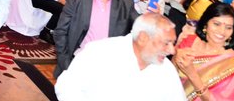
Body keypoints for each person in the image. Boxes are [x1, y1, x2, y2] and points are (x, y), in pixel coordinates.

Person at [55, 14, 185, 101]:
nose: (172, 50)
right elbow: (67, 87)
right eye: (166, 43)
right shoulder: (101, 52)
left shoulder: (166, 70)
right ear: (143, 38)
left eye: (172, 43)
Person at [53, 0, 138, 77]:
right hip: (78, 62)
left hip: (109, 69)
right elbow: (60, 32)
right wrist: (66, 64)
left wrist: (152, 18)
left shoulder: (126, 3)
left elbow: (142, 27)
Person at [173, 3, 234, 101]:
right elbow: (169, 75)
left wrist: (192, 75)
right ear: (206, 23)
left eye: (228, 27)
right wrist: (175, 58)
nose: (222, 31)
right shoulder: (189, 41)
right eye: (216, 24)